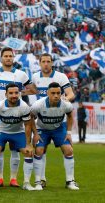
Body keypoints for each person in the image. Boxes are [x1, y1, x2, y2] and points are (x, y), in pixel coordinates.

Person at [0, 47, 37, 187]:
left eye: (10, 56)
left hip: (16, 114)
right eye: (5, 56)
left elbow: (33, 89)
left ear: (13, 58)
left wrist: (18, 94)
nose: (8, 58)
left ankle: (13, 179)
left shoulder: (20, 74)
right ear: (1, 58)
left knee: (15, 149)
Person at [0, 84, 34, 191]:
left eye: (16, 93)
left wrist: (28, 144)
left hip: (18, 132)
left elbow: (28, 125)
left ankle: (26, 183)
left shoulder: (24, 107)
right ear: (6, 94)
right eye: (11, 93)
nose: (14, 95)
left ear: (19, 94)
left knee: (28, 152)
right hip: (1, 131)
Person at [31, 53, 75, 188]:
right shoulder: (35, 77)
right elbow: (32, 92)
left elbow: (71, 93)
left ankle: (70, 181)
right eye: (43, 61)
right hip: (42, 122)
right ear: (39, 63)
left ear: (52, 63)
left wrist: (64, 101)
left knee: (68, 150)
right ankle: (40, 180)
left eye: (48, 61)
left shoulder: (60, 76)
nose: (46, 63)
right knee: (39, 150)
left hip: (58, 123)